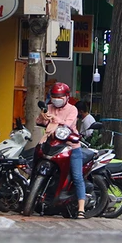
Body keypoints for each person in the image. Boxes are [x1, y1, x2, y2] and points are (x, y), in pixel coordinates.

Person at [36, 82, 87, 219]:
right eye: (54, 96)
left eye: (59, 96)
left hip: (71, 147)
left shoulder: (73, 110)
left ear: (66, 97)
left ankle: (81, 208)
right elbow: (40, 122)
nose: (56, 99)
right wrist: (43, 116)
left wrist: (54, 118)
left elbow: (68, 123)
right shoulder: (49, 107)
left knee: (77, 176)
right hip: (52, 145)